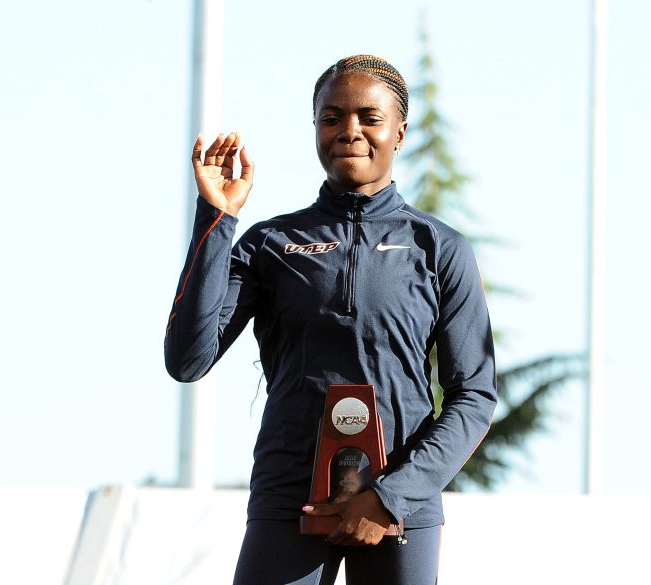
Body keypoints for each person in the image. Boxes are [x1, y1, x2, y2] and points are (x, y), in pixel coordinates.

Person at [164, 54, 497, 585]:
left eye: (369, 117)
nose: (349, 131)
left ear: (399, 132)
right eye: (331, 117)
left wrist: (389, 498)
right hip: (289, 501)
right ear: (314, 127)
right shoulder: (272, 244)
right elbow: (187, 359)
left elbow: (474, 397)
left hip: (397, 512)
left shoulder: (438, 247)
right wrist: (218, 218)